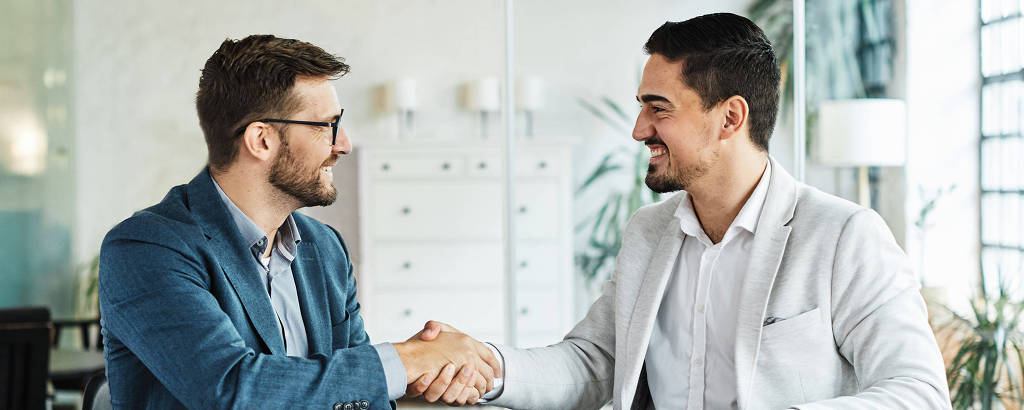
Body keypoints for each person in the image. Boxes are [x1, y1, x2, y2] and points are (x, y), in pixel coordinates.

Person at [410, 13, 952, 409]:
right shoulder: (649, 231)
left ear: (730, 117)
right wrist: (488, 366)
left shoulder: (842, 235)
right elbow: (594, 363)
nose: (639, 129)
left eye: (658, 108)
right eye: (642, 107)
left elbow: (917, 391)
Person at [99, 34, 499, 409]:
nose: (343, 144)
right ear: (261, 140)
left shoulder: (325, 249)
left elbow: (354, 393)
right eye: (328, 126)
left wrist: (421, 374)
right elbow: (231, 390)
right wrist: (407, 359)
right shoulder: (146, 248)